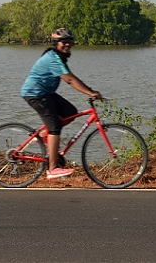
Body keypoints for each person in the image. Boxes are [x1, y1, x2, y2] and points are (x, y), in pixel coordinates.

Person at [20, 27, 102, 179]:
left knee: (70, 112)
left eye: (69, 42)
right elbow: (70, 79)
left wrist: (89, 90)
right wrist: (90, 92)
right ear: (56, 43)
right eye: (63, 42)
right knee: (55, 127)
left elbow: (71, 76)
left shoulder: (59, 57)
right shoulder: (53, 58)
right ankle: (52, 169)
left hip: (46, 93)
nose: (67, 45)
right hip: (35, 94)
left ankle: (44, 136)